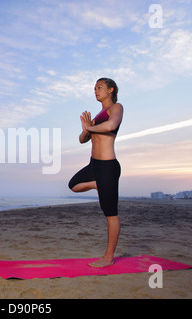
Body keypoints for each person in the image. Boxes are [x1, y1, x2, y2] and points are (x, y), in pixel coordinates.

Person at [68, 78, 123, 268]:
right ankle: (97, 184)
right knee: (73, 185)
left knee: (110, 214)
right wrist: (86, 129)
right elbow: (83, 139)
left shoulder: (116, 108)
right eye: (94, 88)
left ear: (111, 90)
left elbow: (111, 126)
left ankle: (108, 257)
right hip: (94, 165)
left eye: (99, 87)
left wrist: (90, 127)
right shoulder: (98, 115)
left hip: (107, 166)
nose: (95, 90)